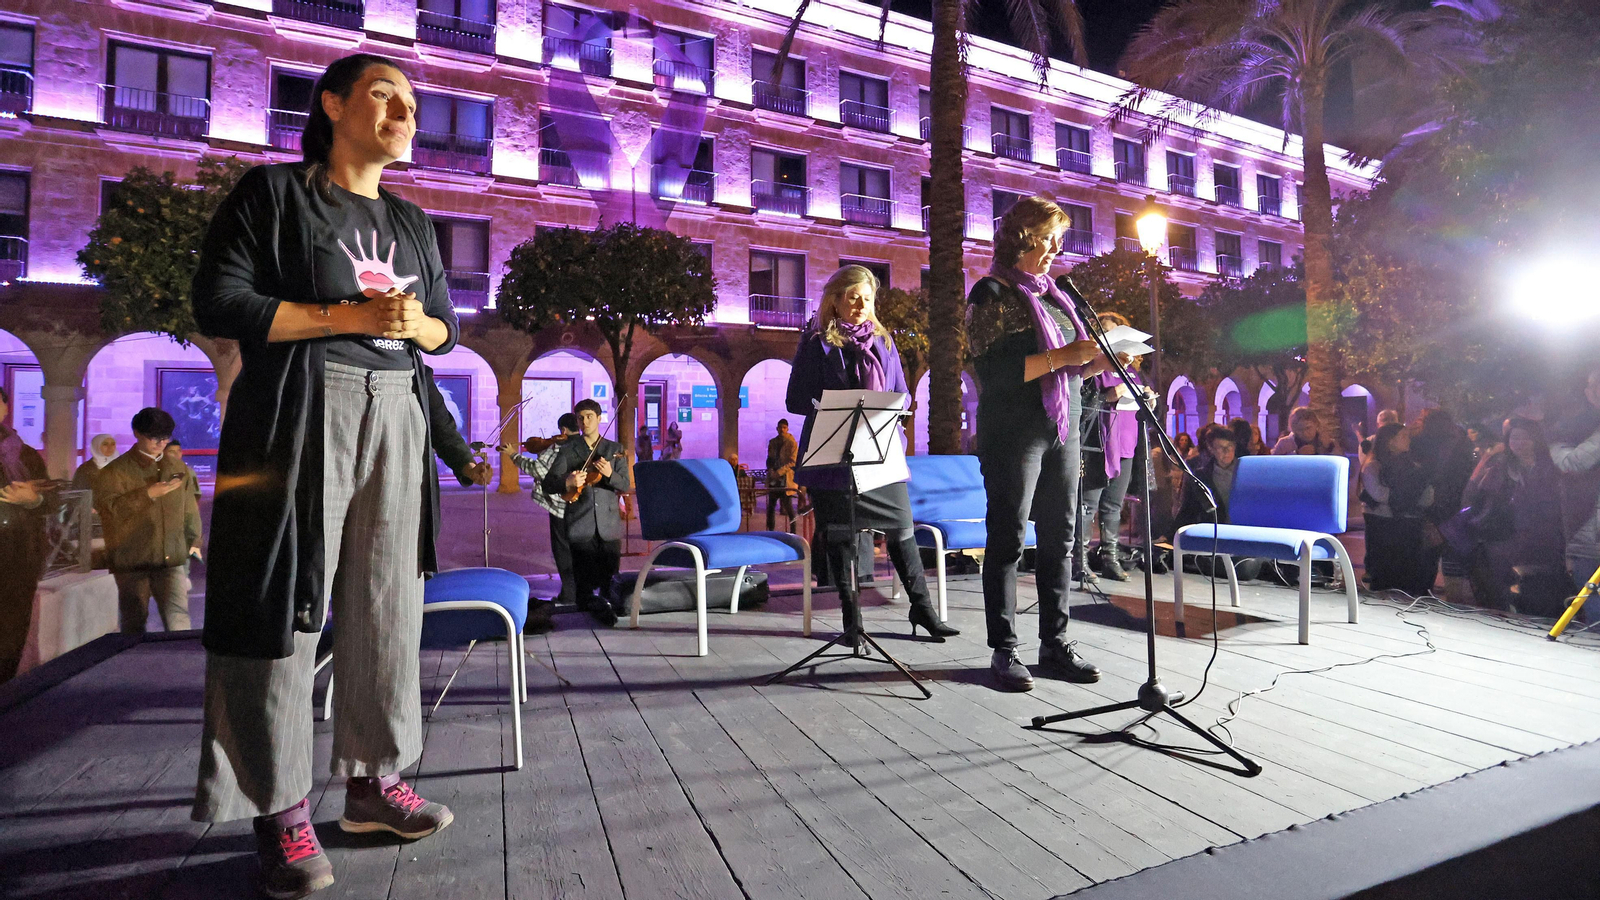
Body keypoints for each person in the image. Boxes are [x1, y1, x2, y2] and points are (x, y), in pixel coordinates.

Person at [188, 53, 461, 899]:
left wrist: (419, 329)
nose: (403, 113)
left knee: (388, 599)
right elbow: (219, 301)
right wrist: (342, 316)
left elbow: (446, 330)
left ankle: (375, 782)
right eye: (384, 95)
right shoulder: (274, 195)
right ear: (334, 103)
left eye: (411, 104)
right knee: (282, 599)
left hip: (397, 409)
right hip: (305, 410)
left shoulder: (414, 222)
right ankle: (279, 807)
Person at [966, 195, 1111, 691]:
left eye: (1058, 240)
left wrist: (1096, 365)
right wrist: (1066, 354)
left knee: (1061, 538)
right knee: (1007, 538)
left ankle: (1054, 644)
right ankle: (1004, 650)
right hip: (1013, 432)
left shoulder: (1056, 296)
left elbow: (1070, 370)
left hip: (1062, 429)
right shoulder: (991, 293)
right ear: (1023, 237)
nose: (1055, 248)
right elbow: (996, 373)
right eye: (1048, 237)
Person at [786, 265, 959, 647]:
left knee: (901, 530)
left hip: (880, 452)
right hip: (833, 458)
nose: (861, 304)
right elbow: (795, 400)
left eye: (867, 297)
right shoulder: (816, 342)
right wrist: (834, 404)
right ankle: (852, 623)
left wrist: (892, 407)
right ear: (835, 299)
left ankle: (923, 610)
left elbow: (902, 393)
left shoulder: (883, 340)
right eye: (852, 296)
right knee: (843, 539)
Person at [93, 408, 200, 634]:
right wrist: (147, 494)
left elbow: (189, 509)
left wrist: (194, 541)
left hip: (170, 559)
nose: (161, 443)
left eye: (165, 437)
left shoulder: (178, 469)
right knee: (134, 623)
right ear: (137, 433)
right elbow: (109, 510)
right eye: (154, 437)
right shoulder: (115, 472)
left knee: (178, 621)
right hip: (132, 560)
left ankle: (179, 667)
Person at [1454, 419, 1565, 612]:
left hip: (1541, 543)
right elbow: (1471, 495)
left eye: (1525, 437)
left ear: (1536, 440)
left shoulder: (1550, 469)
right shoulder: (1500, 467)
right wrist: (1485, 461)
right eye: (1514, 437)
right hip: (1503, 539)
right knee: (1503, 594)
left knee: (1539, 595)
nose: (1519, 442)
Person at [1076, 311, 1150, 584]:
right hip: (1097, 445)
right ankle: (1080, 561)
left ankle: (1111, 559)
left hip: (1126, 443)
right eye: (1104, 333)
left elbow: (1144, 405)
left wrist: (1148, 401)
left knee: (1114, 506)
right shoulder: (1089, 369)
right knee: (1088, 504)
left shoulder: (1131, 372)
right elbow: (1079, 408)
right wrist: (1106, 396)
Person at [542, 399, 629, 626]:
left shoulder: (614, 450)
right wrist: (567, 481)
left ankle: (609, 615)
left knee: (611, 581)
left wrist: (609, 473)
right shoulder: (569, 449)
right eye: (581, 417)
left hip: (608, 525)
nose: (585, 421)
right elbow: (549, 484)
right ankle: (586, 623)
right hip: (580, 523)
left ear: (599, 419)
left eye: (590, 416)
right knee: (584, 586)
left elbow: (625, 485)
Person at [0, 385, 51, 682]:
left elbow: (50, 498)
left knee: (12, 636)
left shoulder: (24, 454)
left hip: (20, 557)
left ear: (6, 408)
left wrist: (33, 500)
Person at [510, 413, 580, 606]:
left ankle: (569, 594)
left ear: (563, 430)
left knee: (562, 548)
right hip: (581, 504)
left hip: (559, 504)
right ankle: (582, 591)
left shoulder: (558, 447)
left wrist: (513, 456)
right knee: (578, 548)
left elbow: (538, 470)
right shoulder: (583, 445)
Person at [1360, 423, 1435, 594]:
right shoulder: (1374, 465)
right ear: (1390, 441)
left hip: (1408, 522)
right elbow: (1379, 494)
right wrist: (1408, 496)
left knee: (1408, 573)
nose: (1409, 439)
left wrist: (1419, 495)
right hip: (1383, 524)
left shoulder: (1412, 465)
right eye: (1403, 436)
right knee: (1386, 572)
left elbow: (1426, 493)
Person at [1550, 365, 1600, 617]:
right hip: (1586, 536)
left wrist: (1556, 448)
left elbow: (1572, 463)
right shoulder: (1580, 424)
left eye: (1595, 386)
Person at [766, 418, 798, 531]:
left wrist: (779, 472)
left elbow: (793, 461)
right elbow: (769, 459)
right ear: (777, 428)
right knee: (771, 506)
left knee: (788, 507)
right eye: (780, 427)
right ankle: (770, 531)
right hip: (774, 478)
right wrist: (770, 470)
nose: (782, 430)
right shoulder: (773, 442)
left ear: (787, 428)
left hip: (785, 478)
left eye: (784, 427)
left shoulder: (792, 443)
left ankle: (793, 531)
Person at [1273, 407, 1343, 456]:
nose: (1305, 433)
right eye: (1300, 430)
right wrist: (1296, 454)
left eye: (1308, 428)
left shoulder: (1327, 442)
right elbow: (1272, 466)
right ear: (1294, 429)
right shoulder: (1284, 444)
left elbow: (1346, 469)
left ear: (1316, 424)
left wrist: (1330, 447)